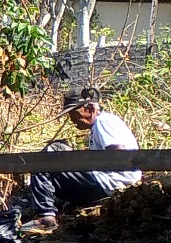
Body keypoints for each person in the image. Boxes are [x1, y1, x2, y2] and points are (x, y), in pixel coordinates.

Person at [18, 91, 141, 230]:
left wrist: (81, 165)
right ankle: (52, 210)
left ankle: (46, 218)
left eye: (74, 115)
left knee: (42, 165)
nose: (73, 121)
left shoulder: (104, 122)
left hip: (112, 181)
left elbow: (118, 155)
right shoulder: (99, 125)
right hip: (110, 180)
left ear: (89, 109)